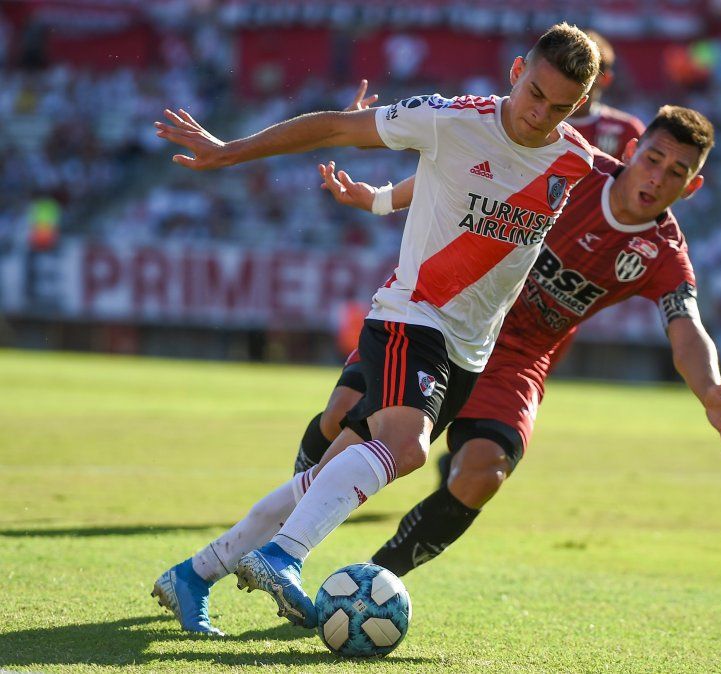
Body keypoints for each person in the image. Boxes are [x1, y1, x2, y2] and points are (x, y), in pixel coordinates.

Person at [151, 22, 600, 635]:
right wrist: (229, 151)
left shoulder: (573, 156)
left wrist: (380, 200)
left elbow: (469, 184)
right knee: (407, 447)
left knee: (327, 472)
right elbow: (335, 125)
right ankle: (282, 556)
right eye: (536, 95)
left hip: (471, 350)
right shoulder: (450, 117)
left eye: (561, 107)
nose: (540, 115)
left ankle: (195, 574)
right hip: (411, 316)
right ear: (515, 71)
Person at [299, 105, 721, 580]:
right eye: (653, 159)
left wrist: (709, 388)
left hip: (519, 358)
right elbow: (469, 171)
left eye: (676, 172)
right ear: (632, 150)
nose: (658, 178)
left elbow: (687, 327)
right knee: (342, 414)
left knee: (484, 469)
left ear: (692, 187)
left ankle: (372, 582)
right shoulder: (576, 167)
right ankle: (279, 542)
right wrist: (381, 198)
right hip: (446, 316)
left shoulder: (664, 252)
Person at [567, 30, 646, 159]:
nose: (575, 76)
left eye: (586, 70)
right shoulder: (537, 122)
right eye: (569, 68)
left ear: (605, 79)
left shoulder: (628, 131)